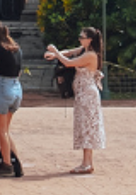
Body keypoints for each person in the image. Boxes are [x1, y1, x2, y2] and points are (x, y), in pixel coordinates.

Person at [45, 27, 106, 175]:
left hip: (87, 94)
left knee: (87, 127)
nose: (80, 39)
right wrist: (55, 54)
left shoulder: (91, 55)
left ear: (89, 39)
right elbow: (70, 52)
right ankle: (87, 162)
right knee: (84, 126)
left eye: (82, 37)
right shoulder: (84, 50)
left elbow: (68, 62)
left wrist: (55, 51)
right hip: (82, 93)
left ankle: (86, 163)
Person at [0, 20, 24, 178]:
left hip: (3, 86)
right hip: (16, 86)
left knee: (1, 131)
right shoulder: (16, 49)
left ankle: (6, 165)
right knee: (6, 131)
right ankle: (15, 162)